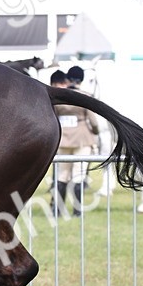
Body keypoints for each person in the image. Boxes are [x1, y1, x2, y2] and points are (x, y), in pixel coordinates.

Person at [50, 70, 100, 216]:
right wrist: (95, 132)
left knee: (62, 174)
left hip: (63, 139)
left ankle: (57, 210)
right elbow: (94, 121)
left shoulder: (60, 96)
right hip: (82, 139)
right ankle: (77, 211)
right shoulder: (85, 96)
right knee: (79, 174)